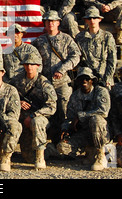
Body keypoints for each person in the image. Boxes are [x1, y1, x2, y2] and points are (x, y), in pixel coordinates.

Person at [31, 10, 80, 143]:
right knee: (47, 112)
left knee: (65, 112)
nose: (50, 23)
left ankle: (65, 143)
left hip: (62, 83)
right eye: (47, 21)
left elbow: (76, 56)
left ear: (58, 23)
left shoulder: (67, 39)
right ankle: (49, 142)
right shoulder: (39, 41)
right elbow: (34, 59)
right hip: (45, 84)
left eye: (53, 21)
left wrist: (62, 69)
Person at [56, 67, 111, 171]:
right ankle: (89, 151)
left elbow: (103, 111)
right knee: (62, 148)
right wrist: (65, 129)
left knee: (96, 119)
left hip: (101, 132)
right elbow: (69, 117)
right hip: (83, 133)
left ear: (92, 80)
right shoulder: (75, 96)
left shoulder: (101, 92)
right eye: (81, 79)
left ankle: (101, 154)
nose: (84, 81)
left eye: (87, 78)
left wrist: (80, 116)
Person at [9, 54, 57, 169]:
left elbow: (51, 106)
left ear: (37, 66)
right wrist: (18, 101)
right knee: (28, 158)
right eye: (27, 64)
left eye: (32, 64)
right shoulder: (17, 80)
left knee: (37, 121)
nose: (29, 67)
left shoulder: (44, 83)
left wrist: (34, 115)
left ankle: (41, 155)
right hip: (22, 118)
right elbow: (8, 95)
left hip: (39, 118)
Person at [75, 7, 117, 89]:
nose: (92, 21)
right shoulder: (80, 37)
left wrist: (107, 78)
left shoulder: (107, 36)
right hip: (86, 79)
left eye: (94, 18)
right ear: (86, 20)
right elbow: (76, 58)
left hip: (103, 77)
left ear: (99, 19)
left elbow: (112, 59)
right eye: (89, 18)